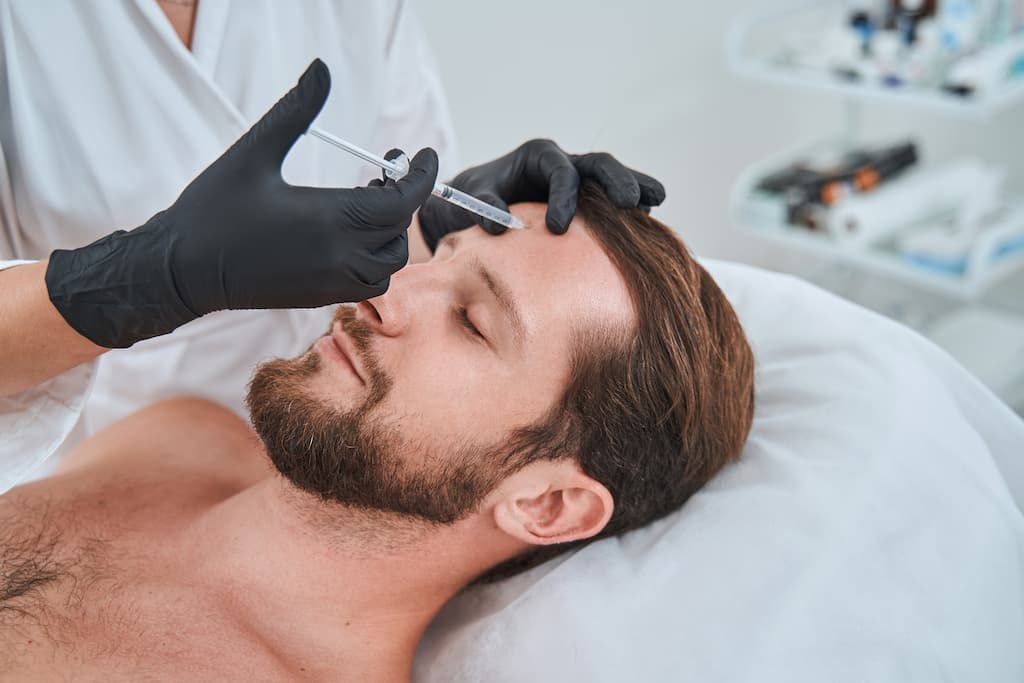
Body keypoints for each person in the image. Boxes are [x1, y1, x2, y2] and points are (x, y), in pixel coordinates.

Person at [0, 184, 755, 680]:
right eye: (439, 257)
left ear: (547, 504)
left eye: (470, 321)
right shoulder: (178, 434)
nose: (384, 289)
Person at [0, 1, 664, 469]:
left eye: (473, 319)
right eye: (470, 318)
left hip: (312, 441)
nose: (379, 300)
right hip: (73, 442)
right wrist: (146, 277)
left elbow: (392, 194)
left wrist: (439, 230)